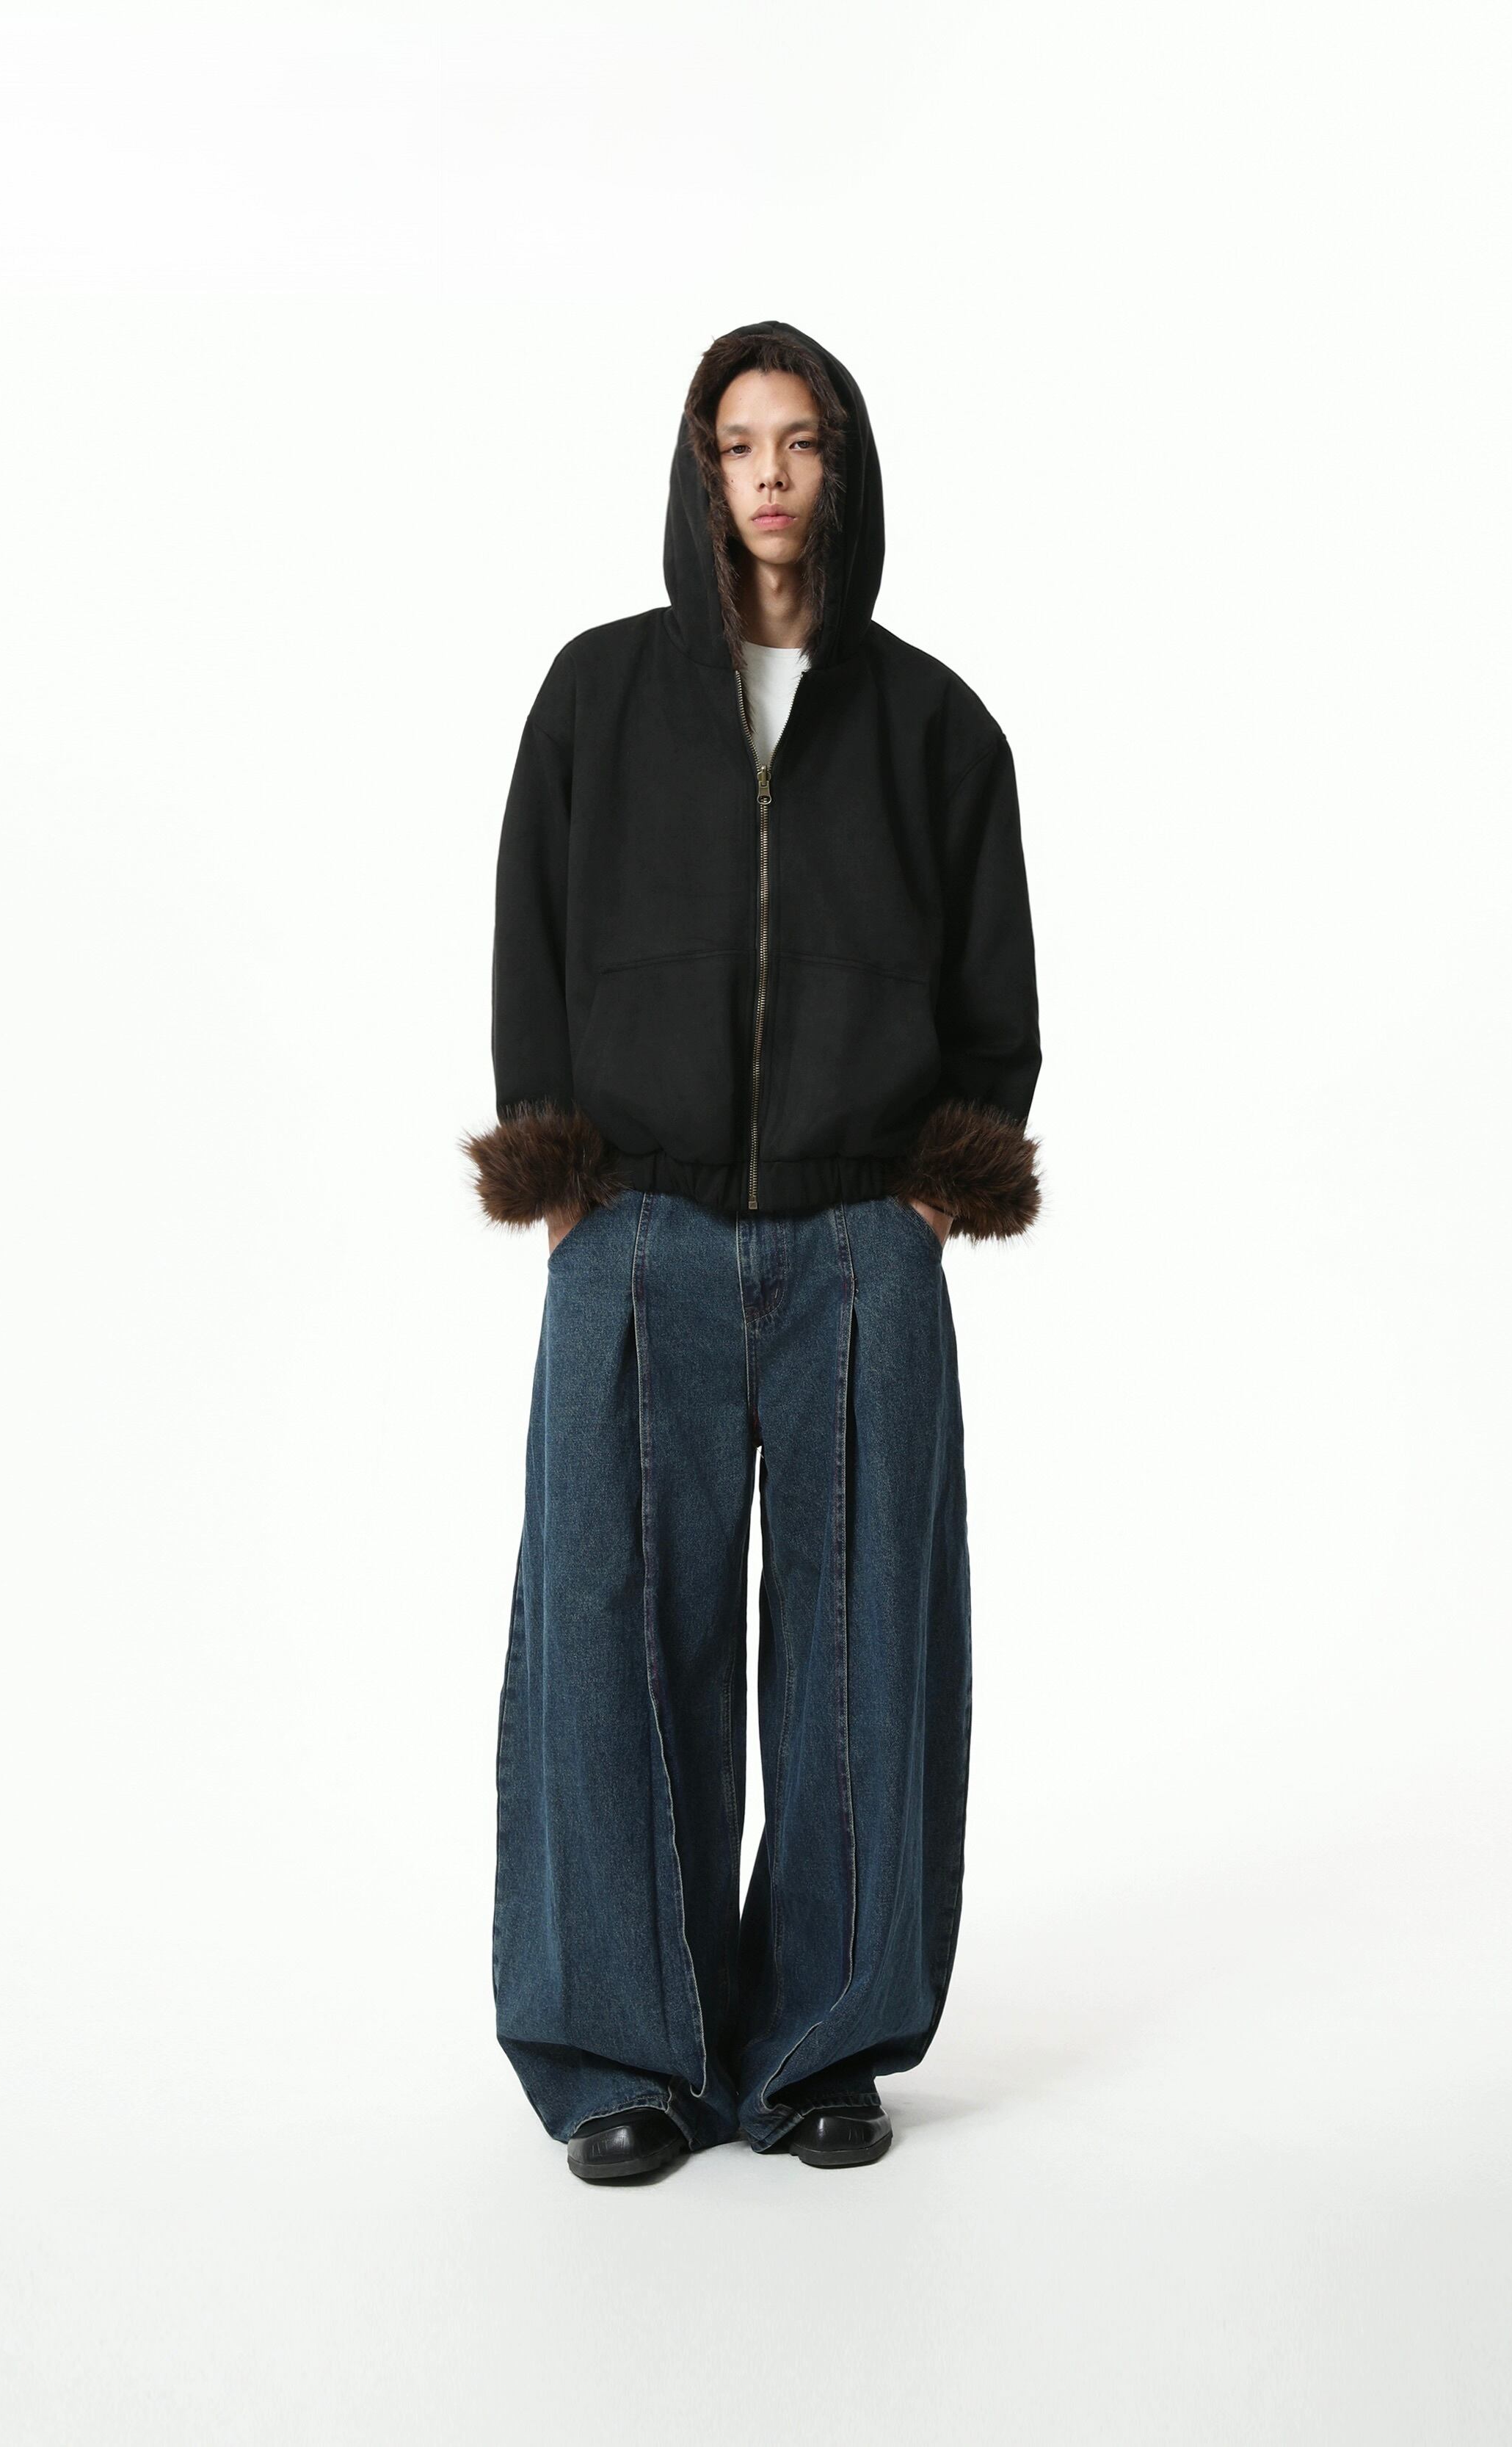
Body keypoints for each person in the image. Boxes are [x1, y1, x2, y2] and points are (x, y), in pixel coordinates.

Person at [461, 319, 1042, 2182]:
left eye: (800, 441)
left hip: (861, 1239)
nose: (770, 474)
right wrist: (568, 1180)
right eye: (738, 442)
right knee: (612, 1636)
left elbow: (996, 997)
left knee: (864, 1645)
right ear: (699, 469)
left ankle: (822, 2046)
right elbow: (529, 941)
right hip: (635, 1228)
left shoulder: (936, 725)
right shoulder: (597, 696)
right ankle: (621, 2050)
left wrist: (925, 1198)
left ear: (841, 469)